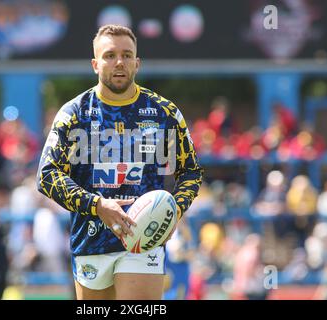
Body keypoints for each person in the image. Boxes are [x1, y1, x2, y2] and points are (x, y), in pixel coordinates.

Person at [37, 24, 203, 300]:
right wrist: (97, 205)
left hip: (143, 238)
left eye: (127, 55)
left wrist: (175, 208)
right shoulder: (74, 113)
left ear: (137, 63)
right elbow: (46, 174)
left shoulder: (164, 112)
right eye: (109, 55)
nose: (119, 62)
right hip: (90, 240)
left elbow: (191, 172)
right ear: (94, 63)